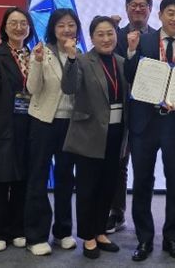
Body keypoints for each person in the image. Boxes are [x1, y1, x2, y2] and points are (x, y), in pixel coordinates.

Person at [125, 0, 175, 261]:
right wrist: (132, 52)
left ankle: (172, 238)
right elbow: (130, 76)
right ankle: (144, 239)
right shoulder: (143, 41)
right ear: (159, 15)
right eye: (170, 13)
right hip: (145, 123)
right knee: (142, 181)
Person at [61, 16, 128, 259]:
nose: (106, 38)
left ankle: (100, 231)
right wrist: (70, 58)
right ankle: (88, 236)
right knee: (87, 188)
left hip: (116, 133)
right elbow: (69, 88)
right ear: (91, 38)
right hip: (89, 134)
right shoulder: (81, 60)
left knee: (108, 185)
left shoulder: (121, 62)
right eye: (100, 34)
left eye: (110, 33)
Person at [0, 6, 35, 252]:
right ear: (4, 27)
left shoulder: (33, 54)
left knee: (22, 180)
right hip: (1, 124)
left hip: (28, 125)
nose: (19, 27)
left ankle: (17, 229)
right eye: (13, 23)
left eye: (23, 23)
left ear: (29, 27)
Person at [24, 8, 80, 255]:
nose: (67, 29)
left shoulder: (79, 54)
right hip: (43, 122)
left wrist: (72, 58)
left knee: (66, 178)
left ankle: (63, 231)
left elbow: (74, 89)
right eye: (61, 25)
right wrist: (36, 63)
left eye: (71, 24)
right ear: (53, 29)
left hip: (70, 124)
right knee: (38, 177)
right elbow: (32, 88)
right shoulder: (41, 51)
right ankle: (36, 236)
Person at [107, 0, 156, 234]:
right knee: (118, 162)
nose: (138, 9)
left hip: (150, 110)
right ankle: (117, 212)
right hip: (121, 107)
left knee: (145, 167)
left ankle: (144, 221)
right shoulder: (114, 35)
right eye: (133, 5)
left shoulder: (158, 38)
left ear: (150, 10)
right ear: (127, 9)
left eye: (142, 5)